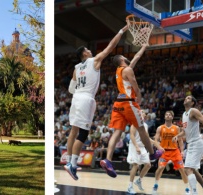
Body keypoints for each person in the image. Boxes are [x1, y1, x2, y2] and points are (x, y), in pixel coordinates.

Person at [64, 25, 129, 180]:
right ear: (84, 53)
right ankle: (72, 164)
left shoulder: (76, 67)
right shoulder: (94, 60)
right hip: (86, 98)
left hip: (76, 98)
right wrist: (120, 31)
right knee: (84, 133)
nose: (90, 50)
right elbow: (110, 47)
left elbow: (70, 89)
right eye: (87, 49)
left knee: (73, 131)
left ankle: (68, 161)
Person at [101, 43, 162, 178]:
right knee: (141, 129)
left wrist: (144, 46)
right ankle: (152, 154)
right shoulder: (128, 70)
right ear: (122, 59)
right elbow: (135, 85)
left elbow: (137, 57)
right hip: (129, 103)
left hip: (118, 104)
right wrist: (139, 96)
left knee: (117, 132)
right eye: (124, 57)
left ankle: (108, 160)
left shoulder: (119, 70)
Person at [152, 110, 189, 194]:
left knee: (182, 170)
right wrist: (159, 147)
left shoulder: (176, 128)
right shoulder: (160, 128)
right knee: (160, 168)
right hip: (164, 151)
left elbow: (180, 141)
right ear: (164, 117)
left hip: (175, 151)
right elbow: (155, 140)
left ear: (172, 117)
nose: (168, 116)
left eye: (169, 115)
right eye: (166, 114)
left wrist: (182, 151)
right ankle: (155, 185)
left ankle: (187, 189)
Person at [126, 111, 163, 194]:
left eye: (144, 113)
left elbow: (147, 138)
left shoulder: (145, 125)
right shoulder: (135, 123)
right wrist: (136, 146)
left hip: (142, 147)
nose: (143, 113)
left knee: (148, 164)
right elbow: (132, 135)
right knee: (135, 165)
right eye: (141, 112)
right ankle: (130, 186)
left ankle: (139, 180)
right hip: (134, 146)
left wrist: (156, 144)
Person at [172, 96, 203, 194]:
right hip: (190, 144)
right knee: (192, 170)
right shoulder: (184, 115)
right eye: (185, 98)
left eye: (189, 98)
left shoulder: (193, 111)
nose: (186, 99)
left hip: (196, 142)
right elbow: (184, 131)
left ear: (193, 103)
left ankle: (194, 192)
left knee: (187, 169)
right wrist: (177, 136)